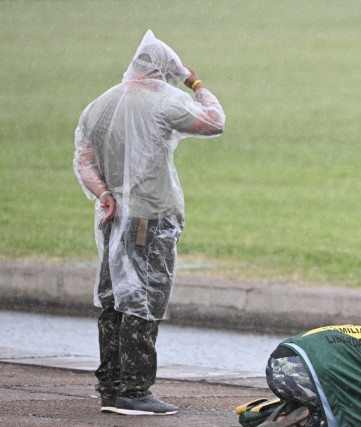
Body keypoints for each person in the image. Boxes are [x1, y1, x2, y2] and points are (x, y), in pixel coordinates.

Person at [73, 29, 225, 416]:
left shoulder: (98, 105)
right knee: (143, 297)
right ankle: (135, 390)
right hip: (150, 218)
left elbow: (84, 160)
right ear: (165, 70)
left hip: (113, 215)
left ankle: (109, 385)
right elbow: (214, 122)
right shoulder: (164, 102)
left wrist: (103, 194)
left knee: (113, 298)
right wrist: (196, 82)